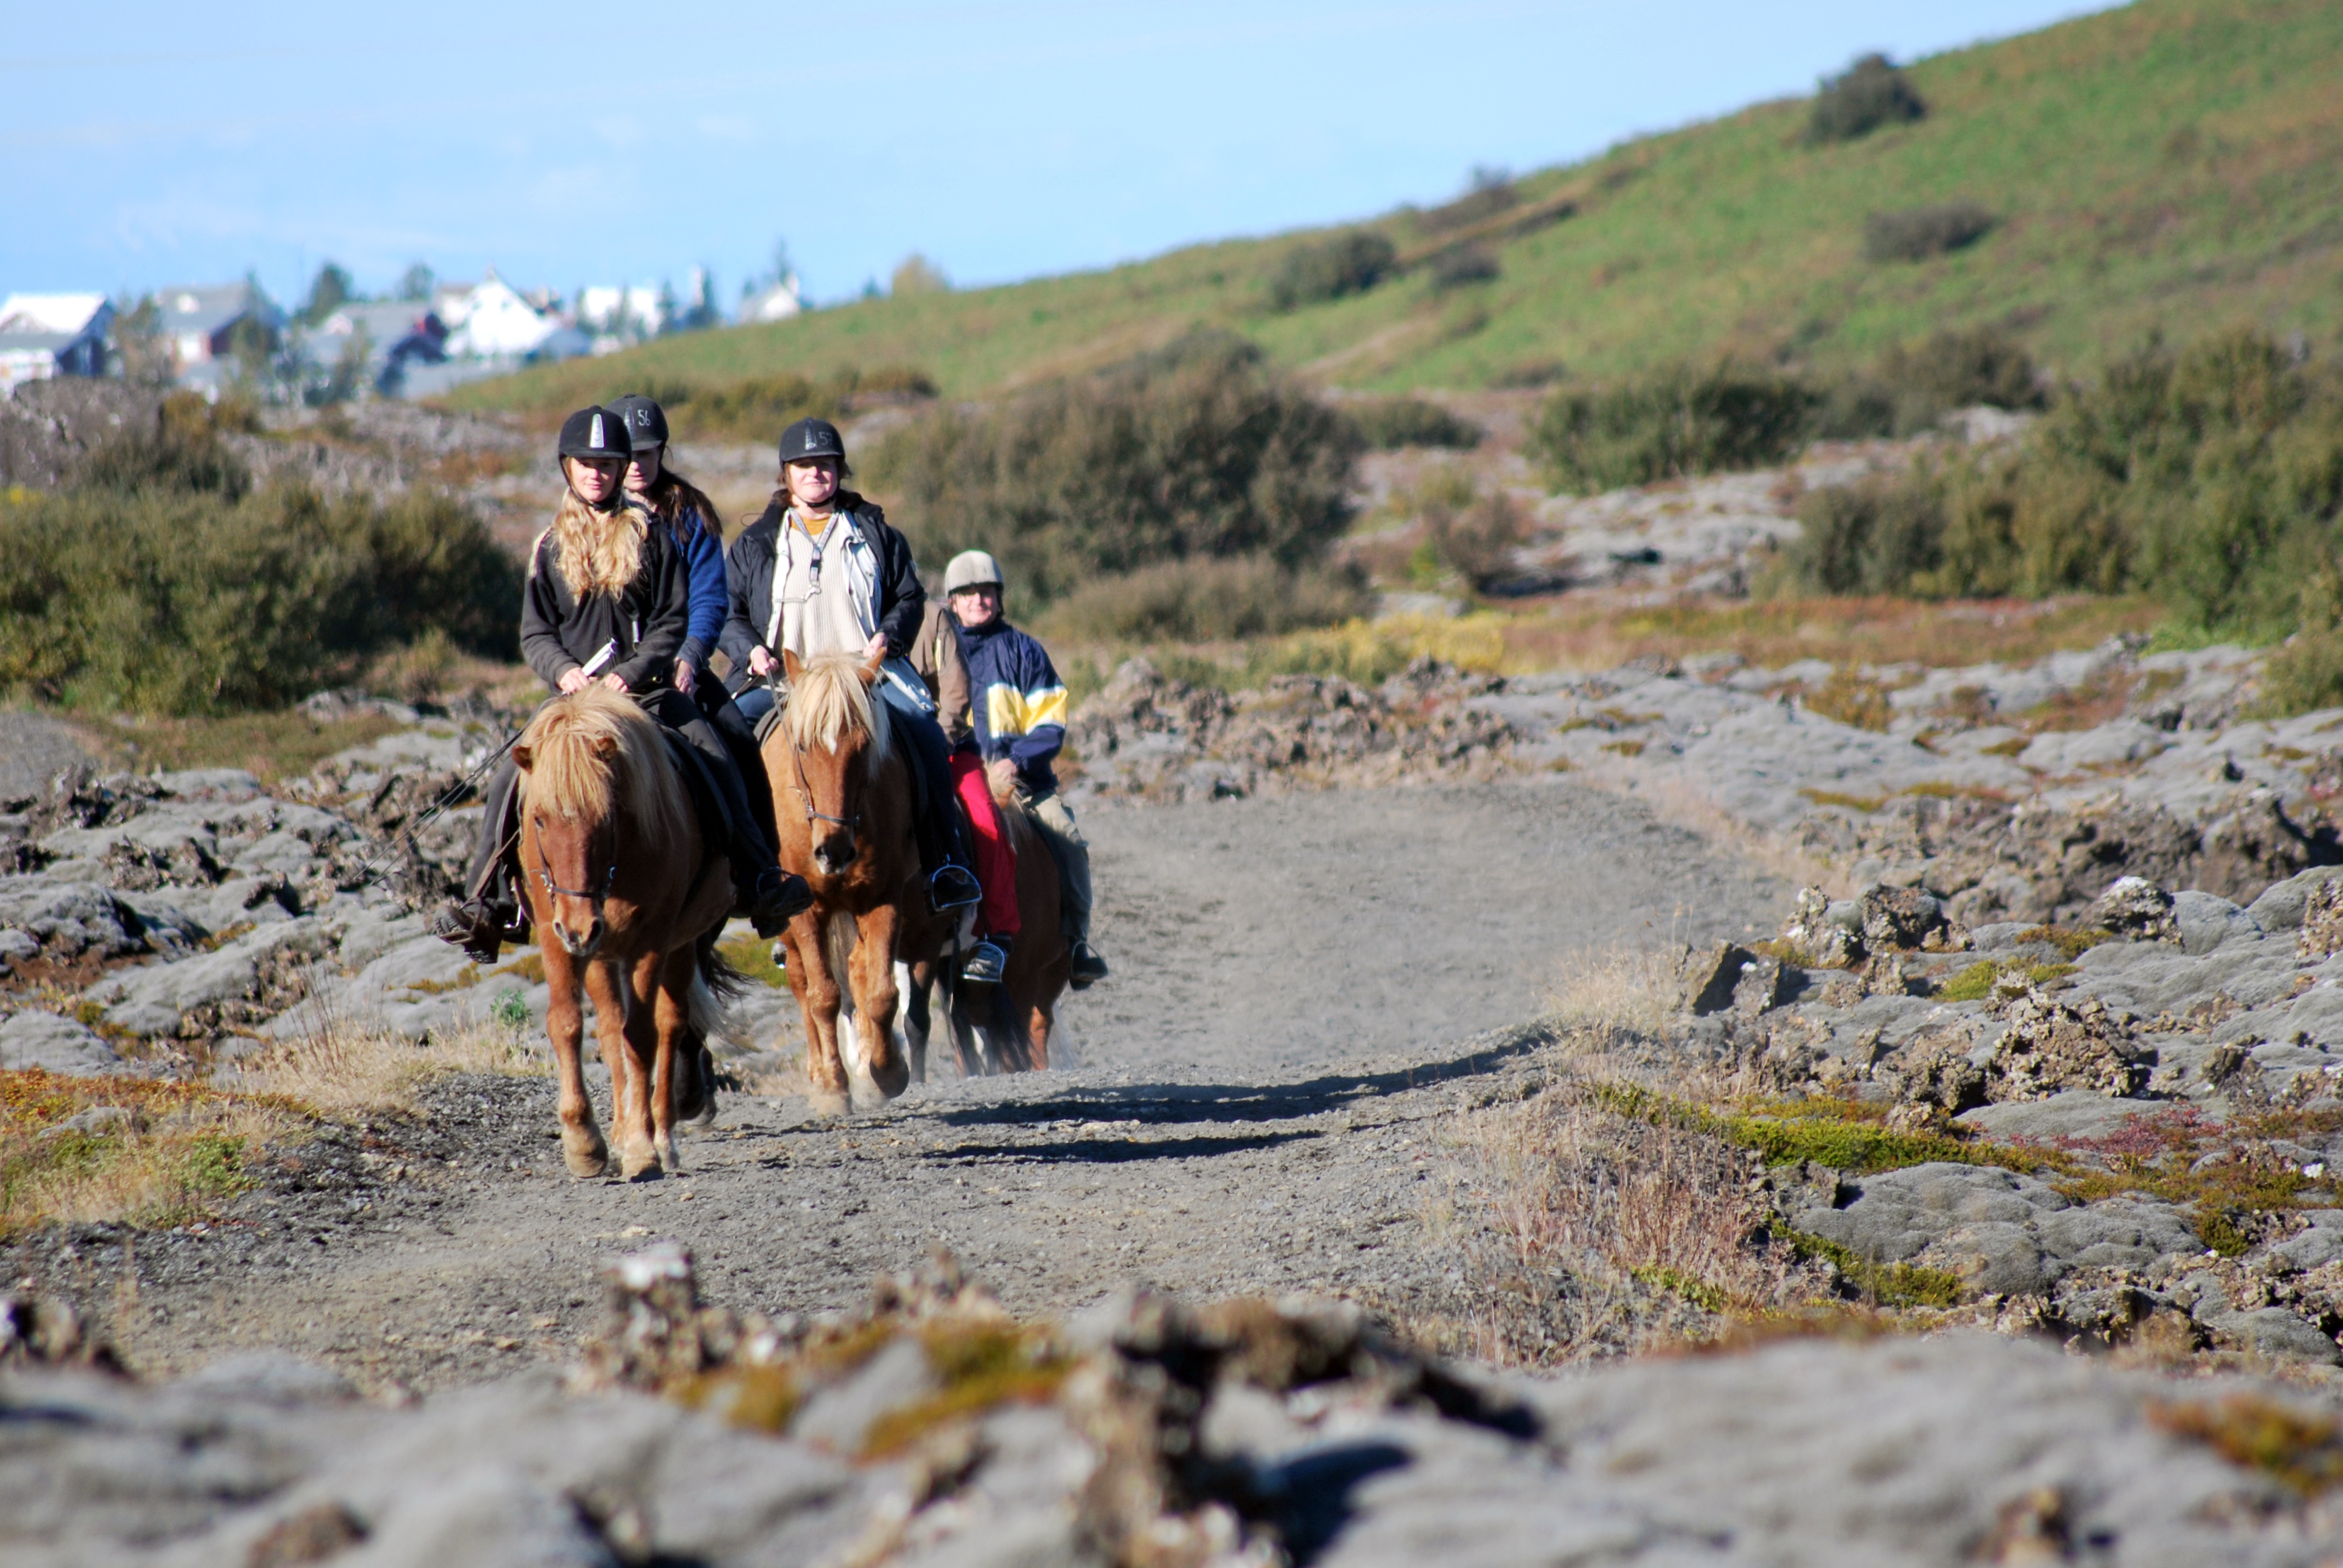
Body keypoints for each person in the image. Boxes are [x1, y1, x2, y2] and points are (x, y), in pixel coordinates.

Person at [426, 406, 808, 961]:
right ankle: (487, 902)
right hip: (576, 701)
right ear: (568, 468)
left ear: (622, 467)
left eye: (608, 464)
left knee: (720, 751)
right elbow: (536, 632)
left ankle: (760, 876)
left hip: (645, 693)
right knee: (512, 768)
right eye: (586, 464)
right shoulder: (548, 547)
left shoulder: (654, 536)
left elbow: (672, 620)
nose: (597, 474)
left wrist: (629, 674)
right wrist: (564, 671)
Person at [719, 417, 983, 919]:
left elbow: (909, 596)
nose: (816, 473)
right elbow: (730, 613)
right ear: (786, 474)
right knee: (727, 735)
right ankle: (744, 871)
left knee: (925, 733)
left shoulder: (877, 532)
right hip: (783, 679)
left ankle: (945, 864)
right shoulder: (754, 543)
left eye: (826, 464)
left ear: (839, 470)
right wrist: (750, 648)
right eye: (805, 466)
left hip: (866, 676)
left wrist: (891, 634)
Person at [608, 393, 779, 857]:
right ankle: (504, 893)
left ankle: (761, 868)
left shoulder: (691, 515)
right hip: (605, 675)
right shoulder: (590, 519)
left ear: (662, 452)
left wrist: (690, 657)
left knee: (738, 742)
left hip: (675, 671)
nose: (638, 465)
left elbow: (708, 598)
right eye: (629, 454)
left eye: (647, 453)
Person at [938, 549, 1110, 989]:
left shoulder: (1025, 651)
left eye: (988, 592)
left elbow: (1051, 722)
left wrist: (1017, 762)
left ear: (1000, 598)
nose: (980, 600)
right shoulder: (938, 651)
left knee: (1069, 840)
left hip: (1024, 783)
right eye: (969, 593)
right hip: (953, 780)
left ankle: (1077, 945)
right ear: (952, 601)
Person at [908, 589, 1017, 984]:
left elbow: (956, 693)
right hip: (881, 748)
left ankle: (996, 934)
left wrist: (940, 741)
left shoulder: (933, 619)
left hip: (945, 745)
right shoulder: (844, 613)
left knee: (985, 818)